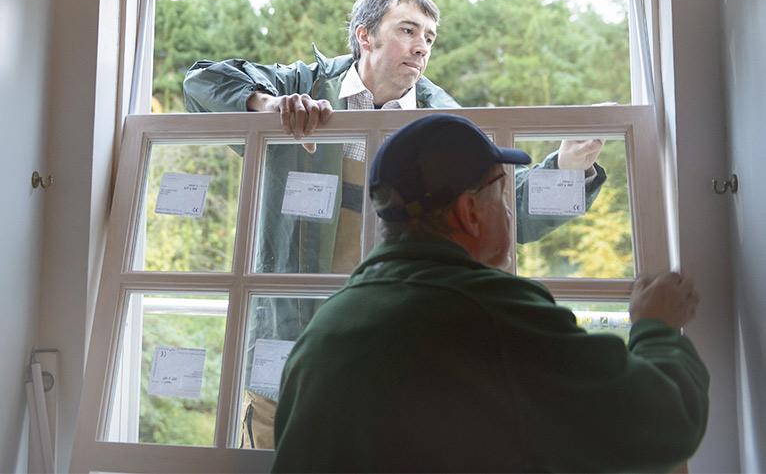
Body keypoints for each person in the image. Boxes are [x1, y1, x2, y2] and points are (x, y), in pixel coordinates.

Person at [183, 0, 607, 447]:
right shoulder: (302, 88)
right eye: (407, 30)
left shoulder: (443, 120)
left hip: (395, 360)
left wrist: (568, 170)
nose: (422, 45)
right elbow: (200, 82)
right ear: (365, 37)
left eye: (429, 36)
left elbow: (507, 212)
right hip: (286, 358)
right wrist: (267, 108)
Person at [271, 113, 709, 473]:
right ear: (470, 214)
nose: (507, 208)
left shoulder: (327, 324)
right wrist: (657, 327)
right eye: (503, 192)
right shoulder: (490, 314)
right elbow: (665, 423)